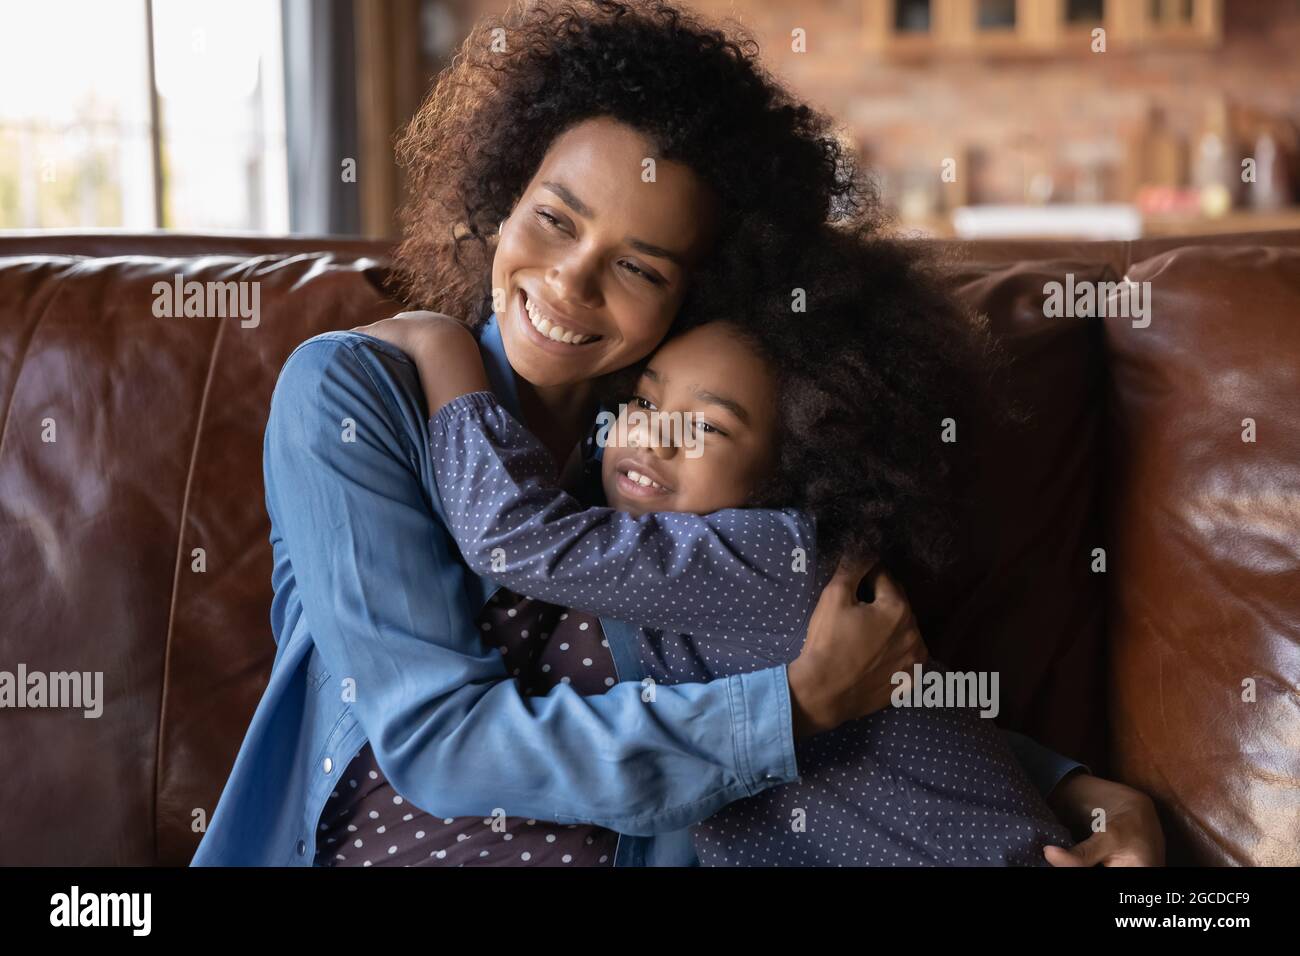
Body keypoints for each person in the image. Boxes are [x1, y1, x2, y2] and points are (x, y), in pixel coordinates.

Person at [192, 0, 1162, 868]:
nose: (570, 281)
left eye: (640, 267)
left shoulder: (683, 443)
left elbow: (841, 654)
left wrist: (1072, 792)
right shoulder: (355, 392)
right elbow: (443, 743)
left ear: (694, 290)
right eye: (554, 218)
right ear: (502, 196)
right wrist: (792, 710)